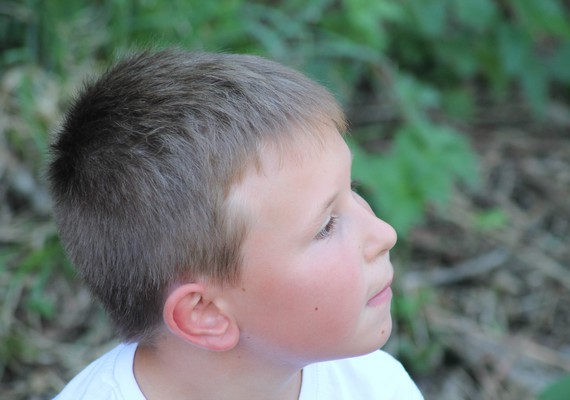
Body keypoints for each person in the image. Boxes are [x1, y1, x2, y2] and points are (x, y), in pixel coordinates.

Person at [49, 49, 423, 400]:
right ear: (206, 313)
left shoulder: (375, 384)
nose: (385, 234)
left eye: (352, 188)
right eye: (326, 226)